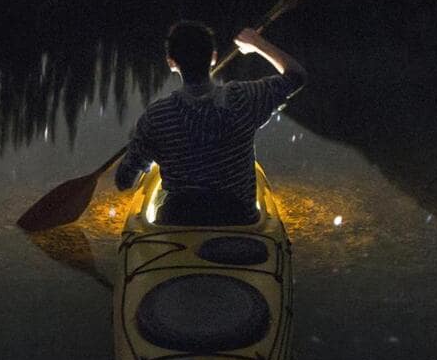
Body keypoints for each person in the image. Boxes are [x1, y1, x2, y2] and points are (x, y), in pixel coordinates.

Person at [113, 20, 307, 224]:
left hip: (178, 222)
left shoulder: (156, 116)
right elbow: (296, 76)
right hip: (238, 219)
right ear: (213, 58)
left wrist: (136, 140)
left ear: (171, 62)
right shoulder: (243, 98)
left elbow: (124, 181)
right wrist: (257, 43)